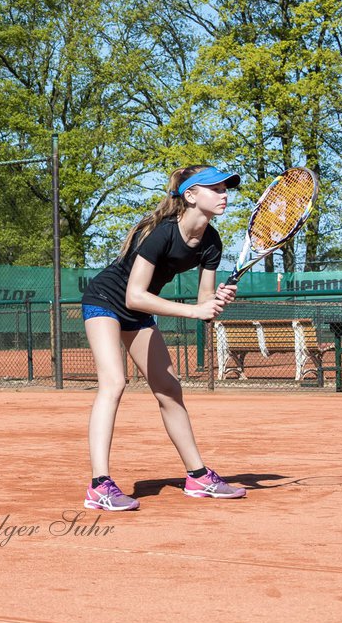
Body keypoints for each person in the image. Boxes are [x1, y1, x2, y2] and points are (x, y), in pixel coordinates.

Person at [80, 165, 248, 511]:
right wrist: (194, 311)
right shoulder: (159, 233)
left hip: (138, 312)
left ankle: (198, 476)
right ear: (190, 195)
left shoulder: (211, 242)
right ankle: (99, 485)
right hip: (106, 300)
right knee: (114, 383)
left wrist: (216, 301)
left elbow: (204, 303)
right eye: (214, 188)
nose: (224, 194)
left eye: (226, 188)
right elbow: (134, 296)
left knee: (170, 390)